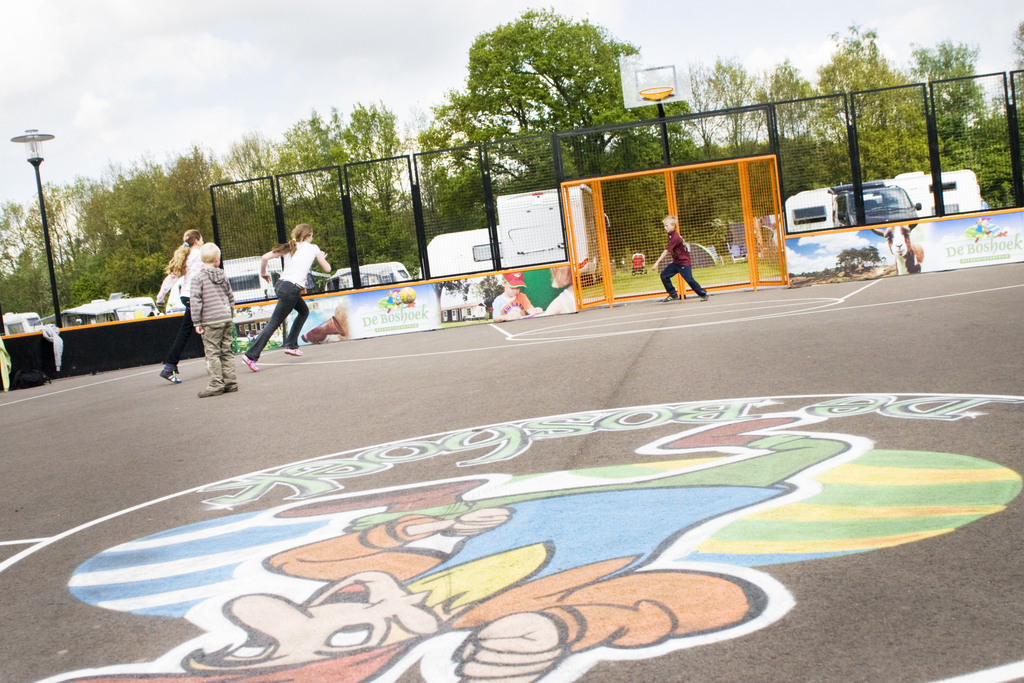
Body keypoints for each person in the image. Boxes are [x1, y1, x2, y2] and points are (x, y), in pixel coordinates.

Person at [242, 224, 330, 372]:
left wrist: (263, 273)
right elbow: (327, 269)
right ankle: (251, 356)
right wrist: (321, 257)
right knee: (274, 323)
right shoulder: (313, 248)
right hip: (291, 289)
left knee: (303, 311)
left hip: (281, 285)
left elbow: (264, 257)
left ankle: (291, 345)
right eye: (312, 235)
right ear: (308, 236)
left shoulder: (290, 246)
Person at [156, 230, 204, 383]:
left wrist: (160, 298)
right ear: (197, 240)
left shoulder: (185, 257)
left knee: (186, 329)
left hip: (186, 295)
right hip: (197, 295)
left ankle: (170, 365)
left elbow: (170, 278)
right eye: (201, 239)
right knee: (207, 325)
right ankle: (169, 366)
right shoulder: (202, 253)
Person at [190, 243, 236, 398]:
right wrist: (230, 313)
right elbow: (230, 296)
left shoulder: (198, 278)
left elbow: (195, 301)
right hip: (225, 317)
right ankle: (230, 382)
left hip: (210, 321)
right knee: (226, 351)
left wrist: (197, 321)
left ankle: (216, 384)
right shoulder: (223, 275)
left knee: (212, 353)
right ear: (217, 259)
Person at [651, 215, 709, 303]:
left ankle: (703, 294)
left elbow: (666, 251)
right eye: (664, 226)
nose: (665, 228)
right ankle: (673, 293)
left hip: (683, 262)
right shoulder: (671, 235)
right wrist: (674, 258)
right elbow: (677, 249)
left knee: (689, 279)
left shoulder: (675, 237)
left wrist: (657, 263)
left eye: (667, 226)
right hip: (676, 262)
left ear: (673, 226)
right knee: (664, 275)